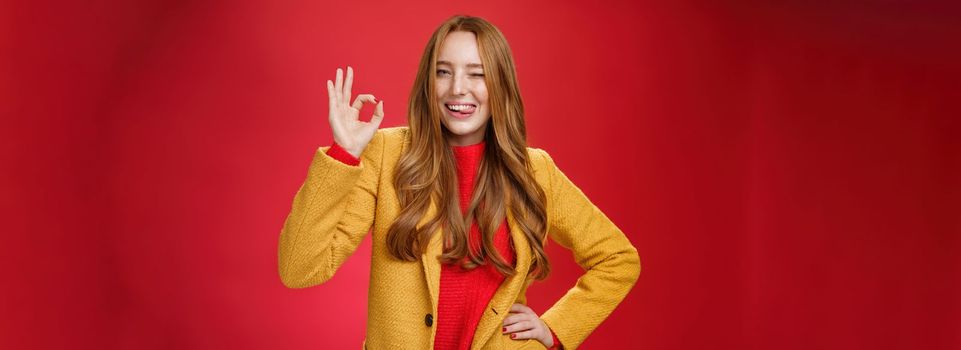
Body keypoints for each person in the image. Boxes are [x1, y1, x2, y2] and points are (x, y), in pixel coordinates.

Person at [277, 15, 640, 349]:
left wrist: (556, 329)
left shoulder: (535, 170)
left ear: (500, 84)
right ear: (427, 82)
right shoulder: (386, 154)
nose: (458, 89)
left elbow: (618, 259)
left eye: (477, 73)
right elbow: (299, 269)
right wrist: (345, 154)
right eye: (443, 72)